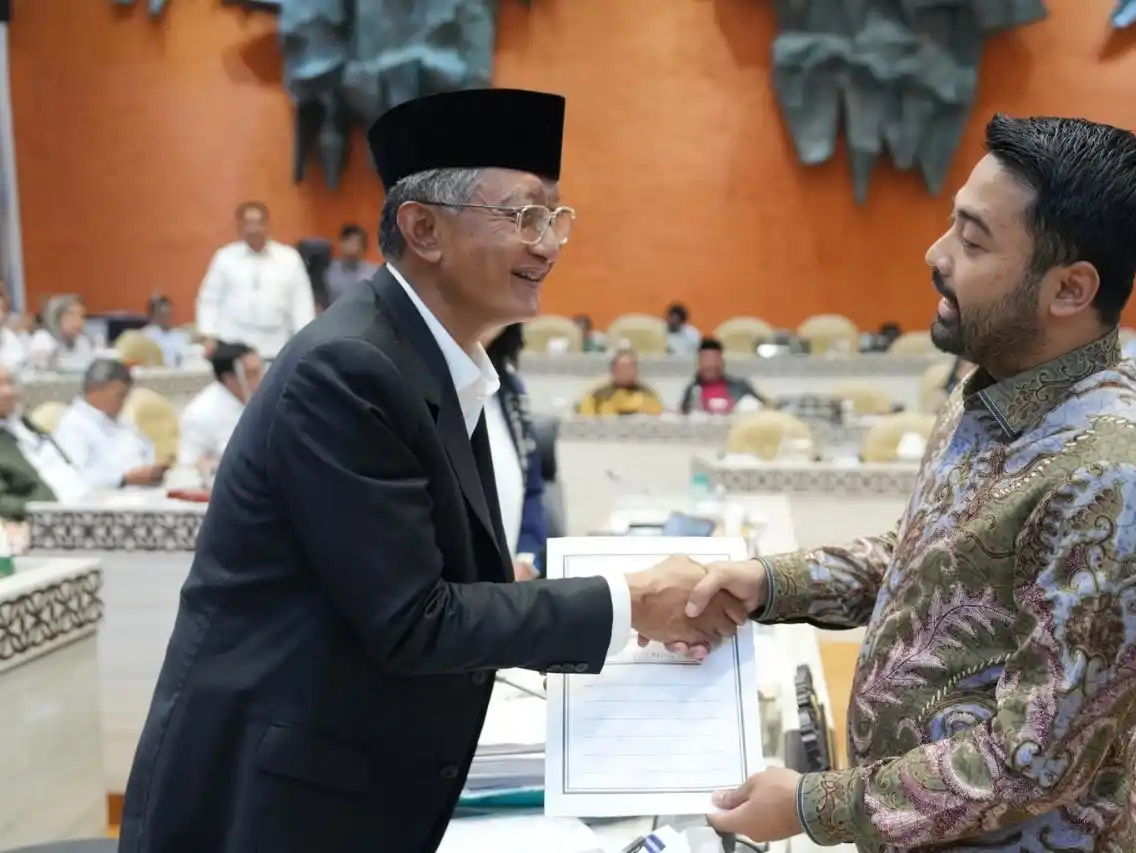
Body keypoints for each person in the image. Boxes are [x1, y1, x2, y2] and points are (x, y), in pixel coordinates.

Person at [118, 89, 746, 853]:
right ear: (424, 228)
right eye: (523, 216)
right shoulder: (350, 368)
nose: (549, 244)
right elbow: (412, 619)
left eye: (555, 217)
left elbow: (426, 575)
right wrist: (631, 602)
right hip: (271, 797)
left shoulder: (437, 360)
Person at [653, 115, 1136, 851]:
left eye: (974, 241)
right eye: (952, 225)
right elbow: (930, 562)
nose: (935, 254)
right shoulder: (995, 383)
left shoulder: (1118, 482)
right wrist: (770, 583)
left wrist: (816, 803)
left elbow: (1031, 759)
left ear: (1069, 289)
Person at [195, 201, 315, 357]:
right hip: (232, 345)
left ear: (267, 224)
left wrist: (306, 340)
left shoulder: (289, 258)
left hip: (276, 346)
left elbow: (301, 301)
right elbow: (209, 299)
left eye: (258, 223)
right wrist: (208, 335)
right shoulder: (225, 257)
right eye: (248, 223)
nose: (253, 229)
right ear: (240, 227)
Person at [482, 323, 545, 580]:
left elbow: (532, 487)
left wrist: (526, 560)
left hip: (507, 592)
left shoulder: (509, 386)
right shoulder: (418, 379)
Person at [53, 359, 166, 489]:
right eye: (120, 395)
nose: (123, 402)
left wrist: (154, 472)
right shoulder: (73, 426)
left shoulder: (124, 422)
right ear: (94, 390)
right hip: (102, 504)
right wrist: (123, 479)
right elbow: (72, 479)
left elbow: (146, 454)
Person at [0, 365, 90, 517]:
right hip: (52, 517)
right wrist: (37, 510)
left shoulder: (24, 425)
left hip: (85, 501)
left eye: (10, 383)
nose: (8, 392)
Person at [177, 341, 264, 471]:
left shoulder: (266, 400)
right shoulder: (200, 414)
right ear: (228, 378)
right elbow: (191, 464)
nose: (262, 379)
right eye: (252, 374)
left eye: (261, 371)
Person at [678, 338, 764, 414]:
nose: (710, 364)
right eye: (706, 360)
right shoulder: (693, 391)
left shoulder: (741, 387)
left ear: (722, 361)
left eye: (714, 359)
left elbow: (764, 407)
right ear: (699, 363)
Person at [578, 350, 664, 415]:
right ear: (613, 371)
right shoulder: (597, 396)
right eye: (623, 368)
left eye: (631, 368)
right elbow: (586, 422)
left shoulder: (649, 394)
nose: (627, 372)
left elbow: (657, 419)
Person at [26, 294, 94, 372]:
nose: (78, 321)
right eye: (71, 315)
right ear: (57, 317)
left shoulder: (82, 341)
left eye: (81, 316)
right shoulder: (43, 339)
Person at [325, 223, 379, 305]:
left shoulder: (374, 273)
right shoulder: (328, 270)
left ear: (364, 248)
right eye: (349, 241)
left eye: (357, 243)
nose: (353, 247)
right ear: (340, 244)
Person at [141, 295, 190, 367]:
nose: (166, 318)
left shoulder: (180, 336)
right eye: (162, 314)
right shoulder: (145, 336)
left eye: (168, 313)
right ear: (152, 315)